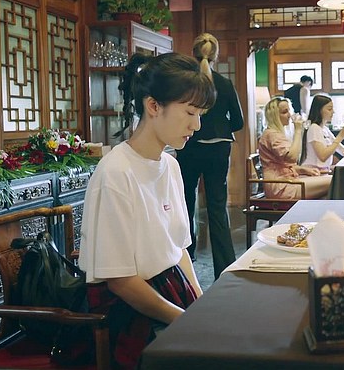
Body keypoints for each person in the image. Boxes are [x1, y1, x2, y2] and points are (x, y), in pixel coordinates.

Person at [79, 52, 215, 369]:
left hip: (170, 287)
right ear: (153, 106)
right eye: (190, 112)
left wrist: (200, 303)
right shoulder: (116, 172)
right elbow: (120, 281)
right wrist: (185, 320)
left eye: (199, 114)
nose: (196, 125)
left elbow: (179, 249)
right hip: (128, 308)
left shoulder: (170, 165)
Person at [176, 33, 244, 279]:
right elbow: (238, 122)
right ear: (216, 56)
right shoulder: (224, 84)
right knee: (217, 206)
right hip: (219, 147)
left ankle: (185, 263)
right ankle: (225, 267)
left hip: (190, 146)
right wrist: (220, 127)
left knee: (185, 202)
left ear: (192, 54)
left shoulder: (185, 84)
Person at [258, 96, 331, 199]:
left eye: (289, 111)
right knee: (334, 181)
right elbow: (292, 158)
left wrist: (303, 169)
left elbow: (283, 164)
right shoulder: (272, 135)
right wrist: (298, 130)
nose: (289, 115)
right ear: (274, 116)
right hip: (281, 187)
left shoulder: (275, 133)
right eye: (284, 112)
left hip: (288, 181)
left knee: (331, 181)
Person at [302, 94, 344, 173]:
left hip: (323, 171)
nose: (333, 112)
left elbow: (341, 150)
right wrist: (340, 136)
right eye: (329, 109)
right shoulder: (314, 128)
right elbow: (323, 156)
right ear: (319, 110)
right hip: (313, 172)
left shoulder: (325, 129)